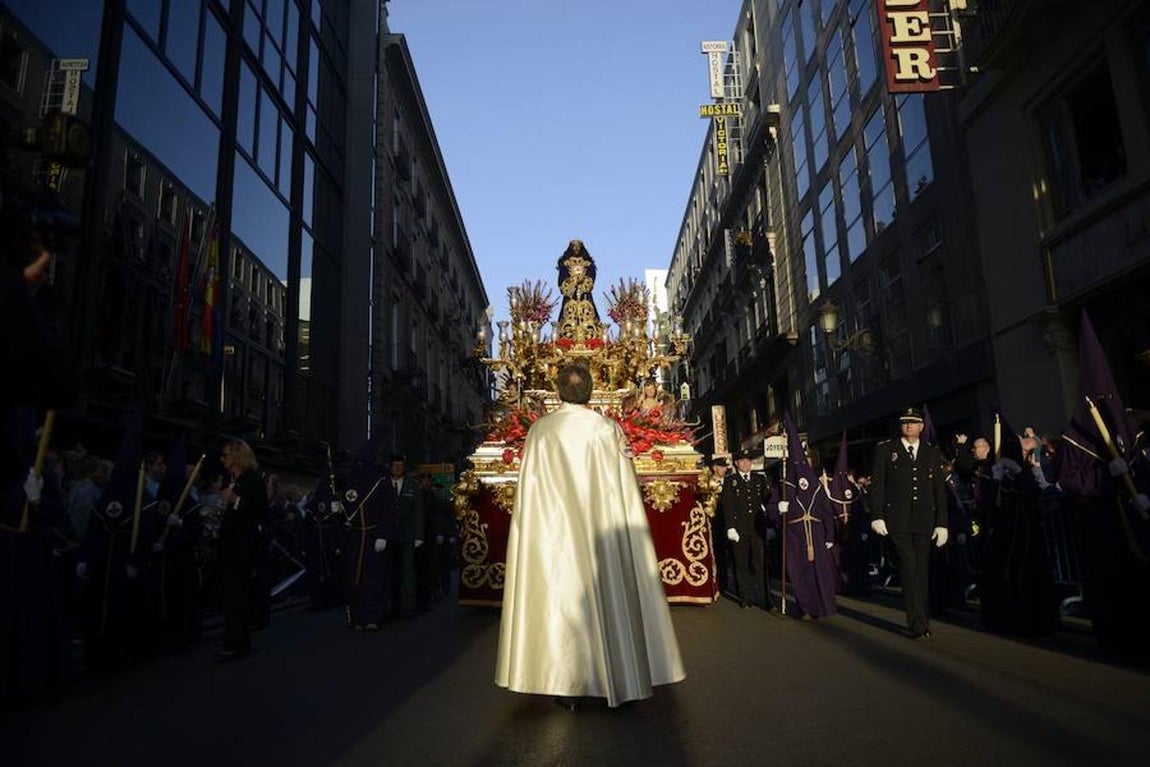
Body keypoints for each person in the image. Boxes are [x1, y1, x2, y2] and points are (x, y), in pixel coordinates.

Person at [496, 363, 685, 709]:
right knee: (611, 598)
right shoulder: (606, 429)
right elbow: (624, 488)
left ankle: (566, 685)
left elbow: (530, 492)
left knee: (561, 602)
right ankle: (619, 677)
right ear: (590, 391)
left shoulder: (541, 431)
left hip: (554, 533)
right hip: (602, 531)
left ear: (557, 392)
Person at [869, 407, 949, 638]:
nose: (908, 425)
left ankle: (923, 620)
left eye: (913, 422)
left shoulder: (931, 452)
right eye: (905, 422)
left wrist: (942, 523)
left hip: (924, 521)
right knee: (908, 568)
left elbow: (939, 490)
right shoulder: (887, 450)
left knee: (922, 571)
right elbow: (878, 486)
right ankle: (916, 623)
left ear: (921, 427)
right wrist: (877, 515)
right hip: (898, 520)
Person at [215, 439, 267, 662]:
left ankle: (235, 644)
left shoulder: (252, 479)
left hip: (241, 549)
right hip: (228, 548)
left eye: (225, 455)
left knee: (236, 597)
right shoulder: (231, 480)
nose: (222, 459)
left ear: (237, 456)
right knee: (230, 597)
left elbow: (259, 511)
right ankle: (235, 641)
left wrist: (236, 500)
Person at [719, 447, 771, 609]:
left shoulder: (759, 479)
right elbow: (727, 505)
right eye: (742, 461)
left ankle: (767, 600)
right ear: (736, 463)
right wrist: (730, 527)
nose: (745, 464)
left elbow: (767, 500)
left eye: (748, 461)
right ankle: (745, 597)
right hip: (739, 529)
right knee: (741, 564)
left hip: (757, 528)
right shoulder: (731, 481)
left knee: (760, 565)